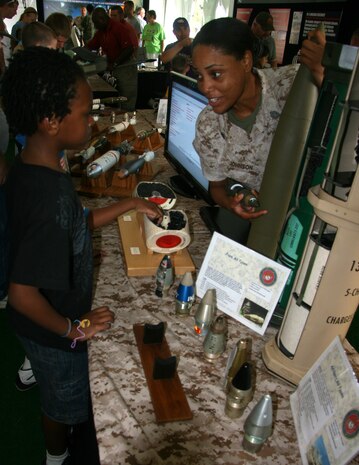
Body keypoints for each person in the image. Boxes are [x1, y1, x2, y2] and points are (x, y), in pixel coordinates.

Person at [2, 46, 162, 465]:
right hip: (52, 330)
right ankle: (56, 456)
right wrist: (73, 329)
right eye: (87, 113)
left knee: (57, 386)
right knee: (64, 404)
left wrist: (127, 205)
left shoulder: (35, 163)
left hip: (38, 326)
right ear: (52, 121)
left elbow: (74, 224)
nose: (92, 122)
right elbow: (21, 294)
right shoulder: (50, 196)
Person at [192, 18, 325, 220]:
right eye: (200, 76)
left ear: (246, 61)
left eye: (216, 73)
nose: (205, 87)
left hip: (317, 216)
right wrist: (230, 203)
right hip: (266, 224)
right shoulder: (208, 125)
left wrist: (322, 71)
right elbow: (217, 187)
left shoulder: (293, 86)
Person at [87, 7, 138, 111]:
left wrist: (114, 63)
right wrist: (79, 53)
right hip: (114, 66)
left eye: (96, 23)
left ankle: (128, 121)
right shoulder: (102, 30)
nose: (95, 26)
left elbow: (129, 49)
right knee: (116, 97)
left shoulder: (119, 28)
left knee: (126, 99)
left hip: (125, 67)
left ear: (102, 19)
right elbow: (92, 44)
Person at [0, 0, 19, 75]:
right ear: (7, 6)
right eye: (15, 9)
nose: (16, 13)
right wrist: (3, 68)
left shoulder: (2, 24)